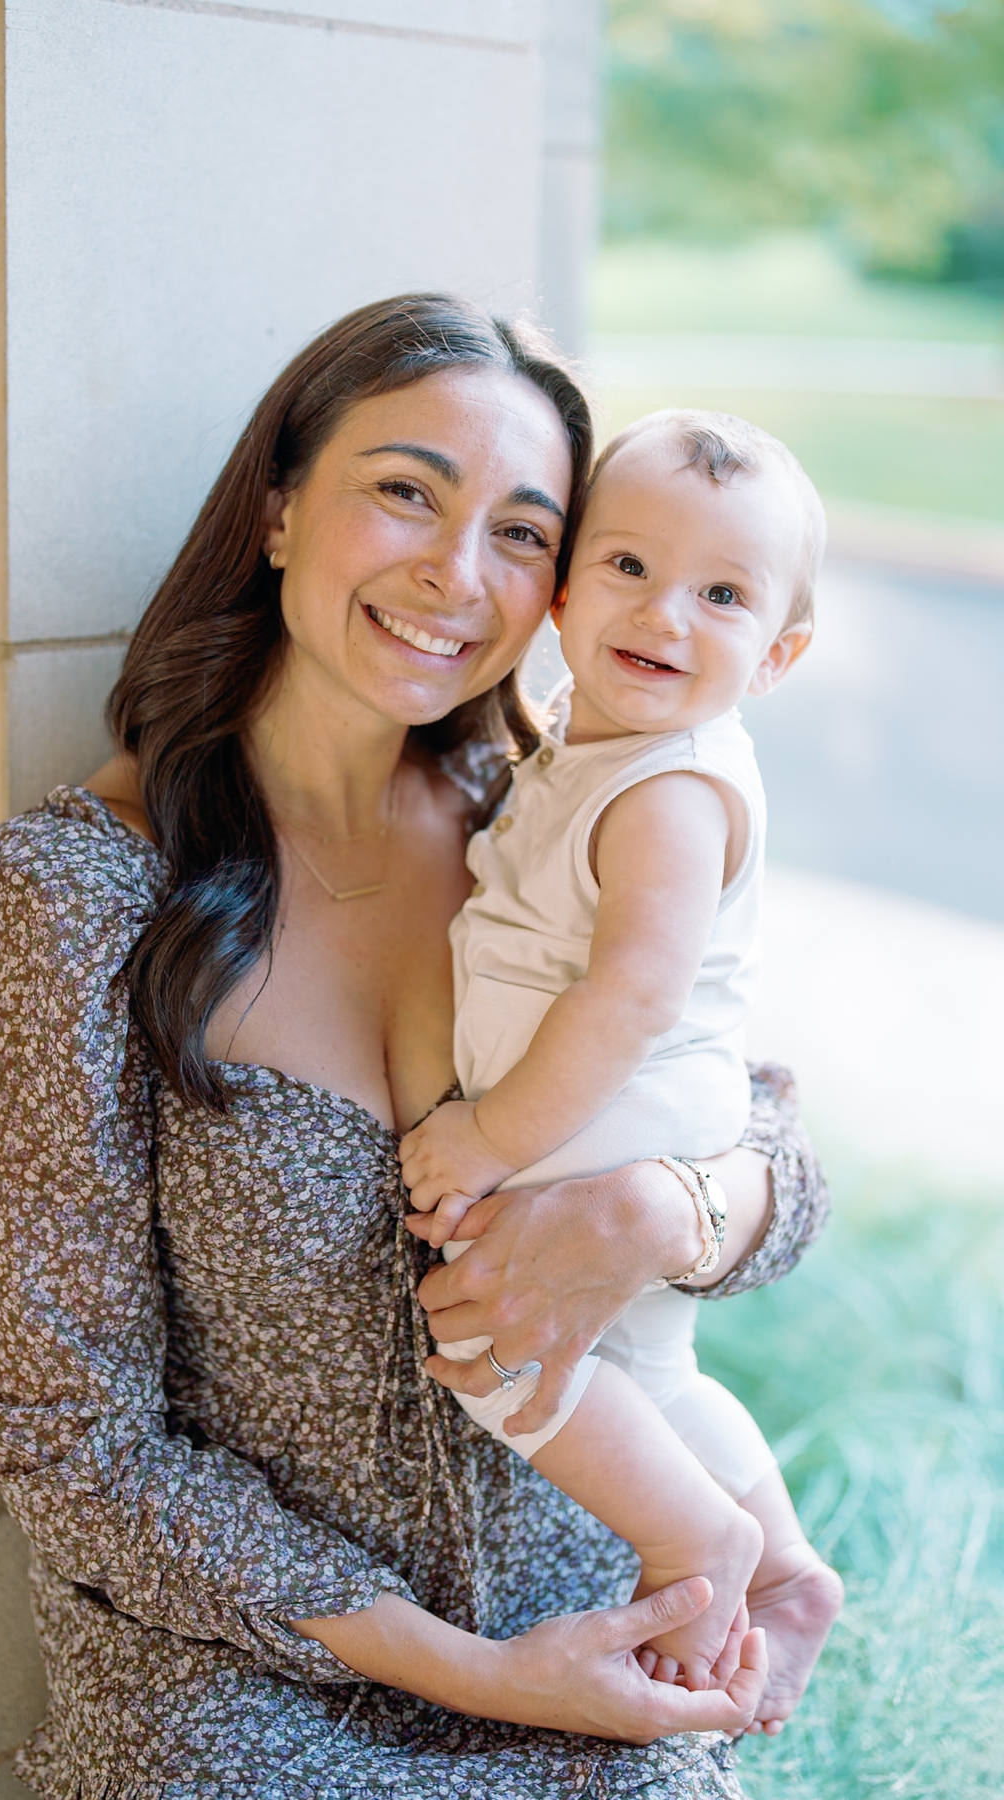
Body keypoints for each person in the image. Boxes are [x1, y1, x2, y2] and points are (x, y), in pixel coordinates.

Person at [0, 295, 832, 1798]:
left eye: (525, 533)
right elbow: (73, 1452)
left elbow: (780, 1162)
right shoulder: (67, 908)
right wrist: (473, 1672)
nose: (457, 574)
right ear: (279, 511)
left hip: (604, 1620)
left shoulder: (541, 810)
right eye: (407, 491)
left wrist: (658, 1213)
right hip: (262, 1692)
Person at [400, 409, 844, 1728]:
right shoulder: (589, 744)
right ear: (565, 589)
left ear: (780, 654)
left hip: (610, 1107)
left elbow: (632, 994)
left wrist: (489, 1138)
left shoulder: (671, 789)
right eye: (631, 568)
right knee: (645, 1369)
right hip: (620, 1110)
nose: (667, 613)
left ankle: (691, 1549)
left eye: (723, 593)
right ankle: (782, 1568)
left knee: (489, 1341)